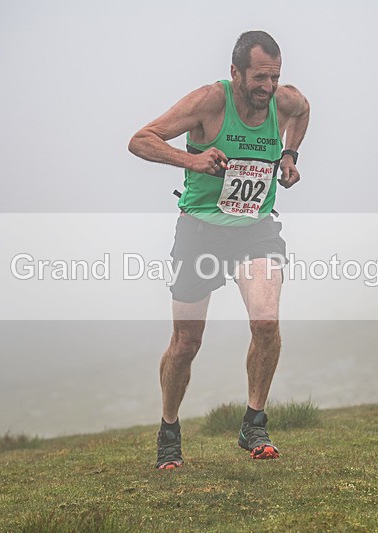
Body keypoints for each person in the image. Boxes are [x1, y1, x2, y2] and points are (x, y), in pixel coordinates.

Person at [128, 30, 310, 469]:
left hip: (255, 230)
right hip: (200, 231)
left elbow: (303, 112)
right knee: (187, 342)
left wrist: (289, 156)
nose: (267, 88)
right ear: (236, 73)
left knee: (266, 322)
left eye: (274, 77)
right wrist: (191, 159)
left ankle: (254, 422)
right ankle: (169, 429)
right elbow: (141, 140)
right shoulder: (210, 101)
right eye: (259, 78)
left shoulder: (285, 101)